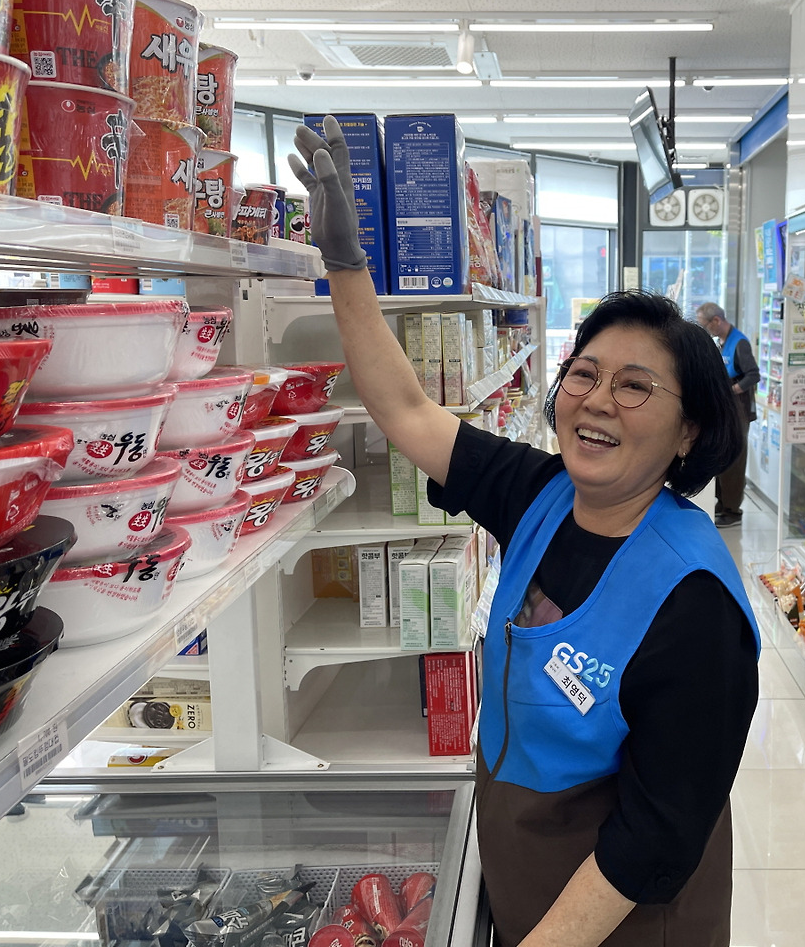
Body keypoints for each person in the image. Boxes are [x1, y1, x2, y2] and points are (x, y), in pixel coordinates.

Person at [290, 118, 760, 947]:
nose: (598, 399)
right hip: (526, 868)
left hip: (627, 916)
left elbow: (655, 838)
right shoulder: (540, 492)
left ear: (689, 431)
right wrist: (346, 266)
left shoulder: (697, 605)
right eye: (585, 373)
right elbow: (406, 409)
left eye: (636, 386)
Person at [695, 302, 759, 527]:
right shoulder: (721, 342)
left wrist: (731, 390)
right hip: (726, 407)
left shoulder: (739, 343)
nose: (706, 330)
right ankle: (722, 504)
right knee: (722, 455)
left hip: (738, 409)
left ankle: (733, 510)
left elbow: (753, 374)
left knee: (734, 458)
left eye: (705, 325)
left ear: (716, 320)